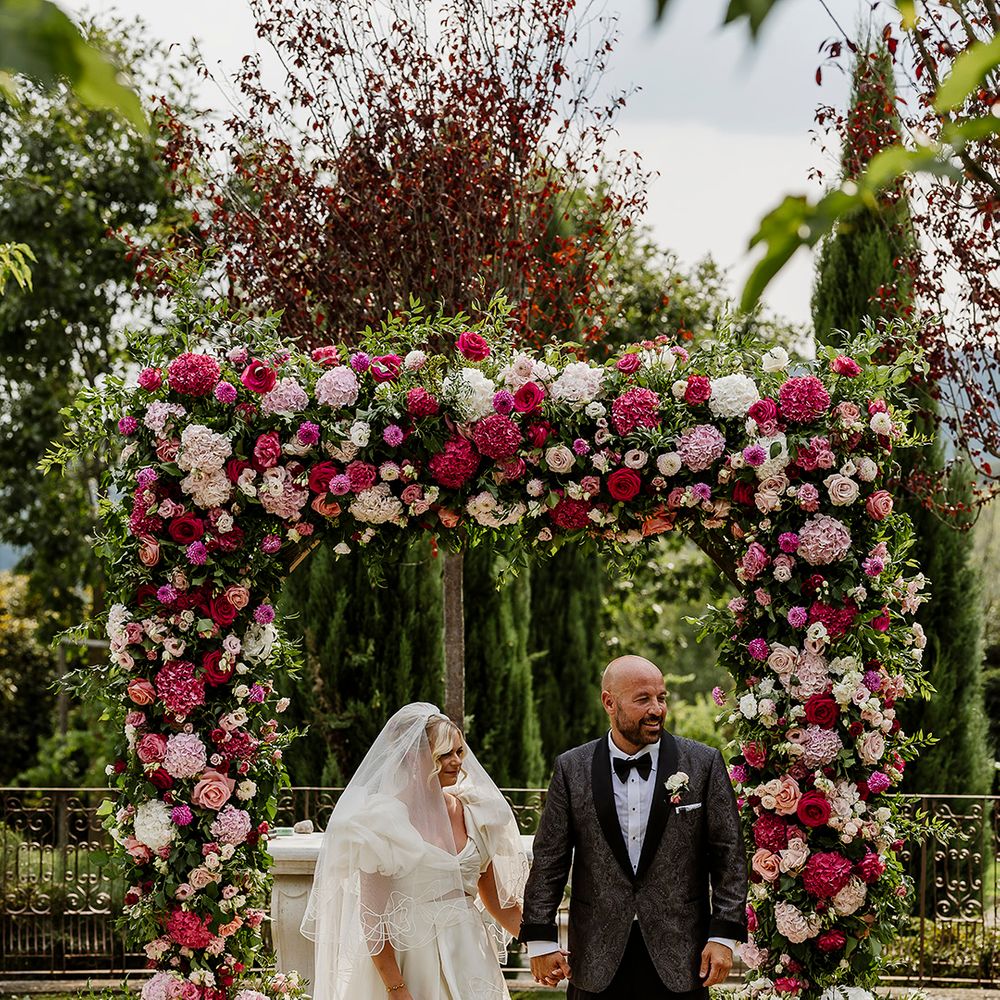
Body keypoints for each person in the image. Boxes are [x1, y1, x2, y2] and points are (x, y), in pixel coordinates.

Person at [519, 655, 748, 999]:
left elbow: (729, 855)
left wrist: (723, 936)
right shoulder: (572, 769)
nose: (656, 709)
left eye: (661, 697)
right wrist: (540, 939)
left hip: (681, 958)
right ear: (609, 702)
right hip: (597, 958)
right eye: (643, 699)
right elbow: (550, 858)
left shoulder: (703, 763)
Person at [301, 703, 528, 1000]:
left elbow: (498, 902)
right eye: (444, 754)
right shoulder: (379, 823)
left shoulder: (475, 812)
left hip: (470, 957)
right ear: (411, 755)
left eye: (459, 751)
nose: (456, 761)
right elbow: (372, 919)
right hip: (409, 963)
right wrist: (397, 989)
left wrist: (540, 944)